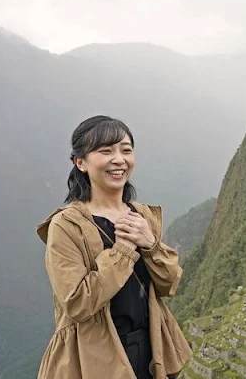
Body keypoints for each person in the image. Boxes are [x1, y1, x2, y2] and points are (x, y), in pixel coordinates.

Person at [36, 115, 192, 378]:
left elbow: (169, 284)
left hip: (151, 349)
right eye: (105, 151)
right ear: (81, 162)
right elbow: (76, 303)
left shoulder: (141, 215)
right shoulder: (66, 226)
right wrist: (123, 252)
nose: (119, 159)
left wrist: (151, 245)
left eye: (126, 150)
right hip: (94, 358)